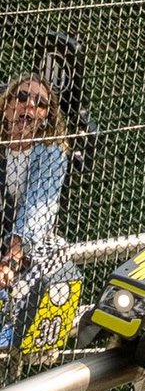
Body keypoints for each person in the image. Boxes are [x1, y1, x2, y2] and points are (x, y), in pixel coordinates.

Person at [0, 74, 72, 348]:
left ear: (44, 117)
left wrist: (11, 260)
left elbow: (39, 207)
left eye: (40, 103)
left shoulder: (51, 154)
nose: (29, 106)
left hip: (26, 242)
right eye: (21, 97)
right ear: (7, 107)